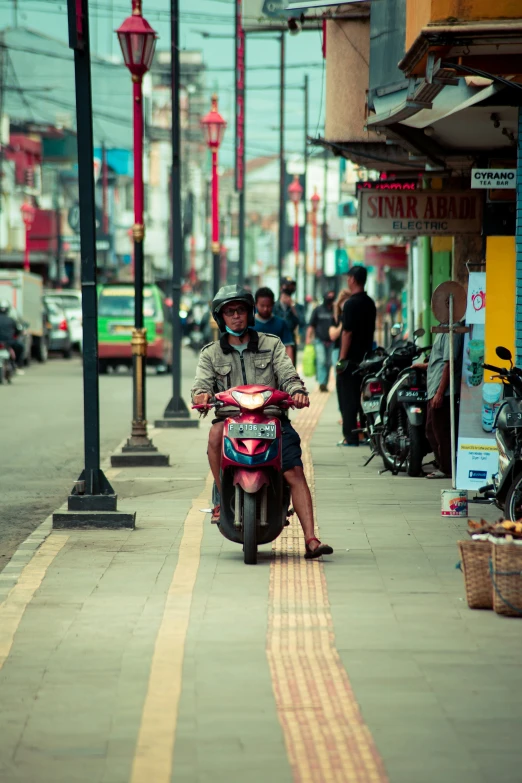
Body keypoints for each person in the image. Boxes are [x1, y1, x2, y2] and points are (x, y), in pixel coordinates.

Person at [191, 284, 333, 559]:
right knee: (213, 437)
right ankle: (222, 498)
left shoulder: (272, 344)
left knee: (294, 472)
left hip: (271, 419)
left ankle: (311, 539)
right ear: (221, 318)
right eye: (229, 312)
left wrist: (297, 391)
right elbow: (200, 385)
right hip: (231, 421)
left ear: (250, 313)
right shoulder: (211, 353)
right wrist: (201, 396)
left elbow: (288, 373)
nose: (236, 317)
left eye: (241, 310)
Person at [336, 267, 376, 446]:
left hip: (351, 360)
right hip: (367, 358)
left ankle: (350, 437)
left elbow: (347, 333)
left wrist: (342, 360)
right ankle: (367, 434)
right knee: (364, 399)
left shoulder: (351, 304)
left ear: (352, 279)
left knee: (348, 399)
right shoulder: (370, 302)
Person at [416, 327, 464, 479]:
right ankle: (442, 463)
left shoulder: (452, 329)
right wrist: (424, 366)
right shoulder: (442, 328)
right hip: (434, 387)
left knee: (441, 431)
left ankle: (446, 468)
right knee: (431, 429)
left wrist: (440, 393)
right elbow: (438, 360)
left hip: (443, 390)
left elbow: (449, 364)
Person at [306, 291, 336, 392]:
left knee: (328, 363)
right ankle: (321, 382)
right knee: (321, 360)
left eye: (332, 296)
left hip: (331, 342)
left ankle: (325, 383)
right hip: (319, 340)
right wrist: (308, 338)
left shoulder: (335, 310)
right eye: (329, 296)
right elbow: (311, 325)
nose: (330, 298)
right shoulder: (317, 310)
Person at [254, 286, 295, 361]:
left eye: (268, 306)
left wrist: (290, 368)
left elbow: (288, 347)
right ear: (256, 304)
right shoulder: (249, 324)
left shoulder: (281, 323)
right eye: (262, 306)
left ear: (273, 304)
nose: (265, 309)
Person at [273, 278, 306, 364]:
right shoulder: (273, 306)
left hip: (290, 340)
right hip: (275, 340)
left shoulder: (297, 307)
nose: (289, 289)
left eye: (291, 286)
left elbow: (302, 322)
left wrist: (292, 306)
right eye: (287, 286)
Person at [329, 289, 351, 416]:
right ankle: (342, 413)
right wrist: (343, 323)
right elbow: (332, 335)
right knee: (339, 382)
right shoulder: (337, 318)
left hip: (352, 353)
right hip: (337, 351)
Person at [0, 300, 24, 369]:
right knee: (20, 347)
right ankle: (18, 364)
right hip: (9, 342)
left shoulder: (11, 320)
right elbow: (18, 331)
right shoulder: (11, 320)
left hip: (7, 342)